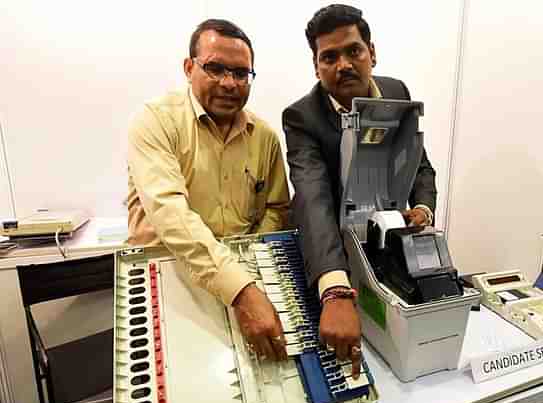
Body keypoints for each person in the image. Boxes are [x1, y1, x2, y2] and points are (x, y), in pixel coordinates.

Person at [282, 4, 437, 377]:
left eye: (354, 51)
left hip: (385, 240)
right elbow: (313, 198)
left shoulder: (396, 91)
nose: (344, 65)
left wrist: (423, 209)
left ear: (372, 52)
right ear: (316, 66)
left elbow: (420, 164)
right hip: (329, 249)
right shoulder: (301, 117)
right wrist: (334, 289)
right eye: (329, 57)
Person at [128, 19, 290, 361]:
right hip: (170, 277)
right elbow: (170, 213)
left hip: (243, 276)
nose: (229, 83)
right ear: (189, 68)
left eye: (241, 73)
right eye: (215, 68)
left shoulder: (265, 137)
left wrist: (253, 268)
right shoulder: (155, 121)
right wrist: (242, 290)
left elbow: (276, 209)